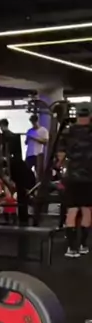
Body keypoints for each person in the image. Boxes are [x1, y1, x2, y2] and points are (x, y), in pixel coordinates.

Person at [57, 104, 92, 258]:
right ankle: (83, 245)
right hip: (89, 177)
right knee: (86, 210)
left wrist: (60, 165)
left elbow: (61, 155)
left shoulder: (68, 131)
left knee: (72, 210)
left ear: (76, 114)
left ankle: (72, 248)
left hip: (72, 176)